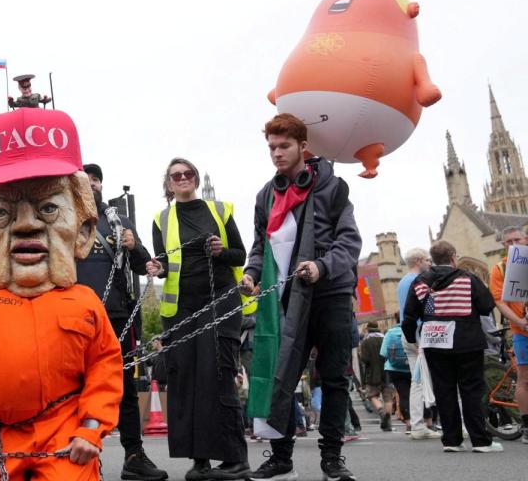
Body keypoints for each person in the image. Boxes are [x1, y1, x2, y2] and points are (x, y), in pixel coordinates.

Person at [0, 107, 122, 480]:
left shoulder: (87, 304)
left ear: (84, 231)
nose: (26, 224)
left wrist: (90, 428)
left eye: (48, 208)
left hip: (65, 435)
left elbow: (104, 369)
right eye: (3, 213)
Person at [242, 113, 361, 481]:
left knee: (334, 377)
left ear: (303, 147)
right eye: (272, 148)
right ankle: (281, 459)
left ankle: (332, 459)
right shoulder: (265, 195)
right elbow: (260, 246)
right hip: (286, 298)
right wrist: (251, 273)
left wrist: (322, 267)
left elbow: (350, 241)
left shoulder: (333, 187)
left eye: (284, 146)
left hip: (330, 294)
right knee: (280, 375)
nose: (277, 153)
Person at [146, 157, 248, 480]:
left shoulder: (220, 210)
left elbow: (240, 255)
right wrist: (156, 267)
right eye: (175, 175)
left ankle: (236, 458)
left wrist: (221, 251)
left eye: (188, 173)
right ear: (168, 183)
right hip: (182, 309)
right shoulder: (161, 219)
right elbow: (164, 262)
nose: (182, 178)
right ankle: (200, 460)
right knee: (186, 380)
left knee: (218, 374)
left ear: (195, 178)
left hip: (220, 301)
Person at [76, 163, 167, 481]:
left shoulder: (120, 221)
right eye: (86, 179)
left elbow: (143, 266)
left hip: (118, 317)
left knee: (125, 388)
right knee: (74, 388)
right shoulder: (63, 219)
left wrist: (135, 246)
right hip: (74, 317)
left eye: (96, 179)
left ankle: (134, 456)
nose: (92, 183)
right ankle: (80, 459)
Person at [402, 240, 501, 453]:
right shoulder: (468, 278)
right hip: (467, 340)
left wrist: (412, 339)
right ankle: (480, 441)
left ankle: (451, 440)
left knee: (444, 390)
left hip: (434, 341)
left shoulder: (420, 281)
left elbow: (409, 316)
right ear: (454, 257)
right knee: (471, 390)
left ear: (433, 259)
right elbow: (486, 306)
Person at [396, 247, 441, 440]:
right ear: (418, 261)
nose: (429, 263)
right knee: (433, 378)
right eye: (427, 260)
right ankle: (423, 424)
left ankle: (417, 425)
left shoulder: (402, 282)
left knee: (417, 381)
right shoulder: (417, 281)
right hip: (419, 334)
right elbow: (418, 310)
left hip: (407, 334)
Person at [489, 225, 528, 443]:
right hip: (522, 330)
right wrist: (520, 321)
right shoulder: (500, 269)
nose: (513, 245)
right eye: (508, 242)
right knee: (524, 379)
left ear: (526, 239)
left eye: (517, 240)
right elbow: (500, 301)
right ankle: (527, 426)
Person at [358, 322, 393, 431]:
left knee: (372, 395)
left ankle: (381, 411)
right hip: (387, 372)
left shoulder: (366, 341)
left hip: (373, 374)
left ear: (368, 329)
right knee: (388, 398)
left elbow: (365, 359)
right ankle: (388, 423)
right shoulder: (385, 338)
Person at [381, 313, 411, 431]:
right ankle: (424, 420)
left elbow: (383, 353)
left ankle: (408, 423)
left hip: (395, 368)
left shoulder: (390, 333)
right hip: (412, 367)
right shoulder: (413, 329)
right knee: (418, 394)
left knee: (403, 395)